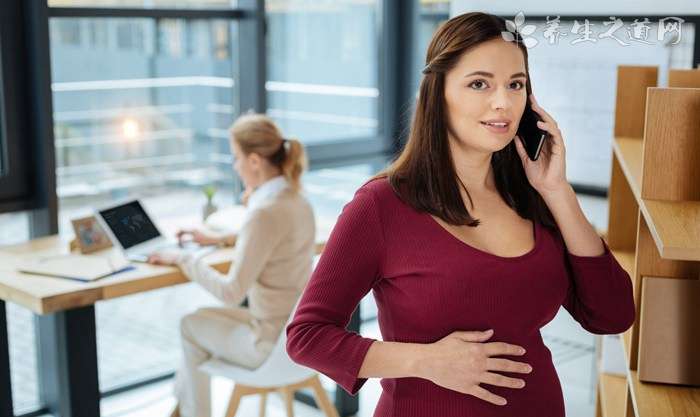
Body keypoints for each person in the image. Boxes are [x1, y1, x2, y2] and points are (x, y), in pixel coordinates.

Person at [285, 12, 635, 417]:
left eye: (516, 84)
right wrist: (426, 361)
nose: (503, 101)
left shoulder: (532, 197)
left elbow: (613, 315)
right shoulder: (381, 206)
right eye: (479, 84)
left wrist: (558, 191)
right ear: (438, 93)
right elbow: (306, 337)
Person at [147, 113, 316, 417]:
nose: (235, 166)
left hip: (265, 344)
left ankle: (190, 413)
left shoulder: (263, 212)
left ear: (254, 161)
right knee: (198, 318)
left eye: (236, 158)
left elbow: (231, 292)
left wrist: (184, 258)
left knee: (190, 326)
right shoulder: (297, 200)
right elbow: (271, 240)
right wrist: (219, 239)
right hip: (294, 336)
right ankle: (183, 410)